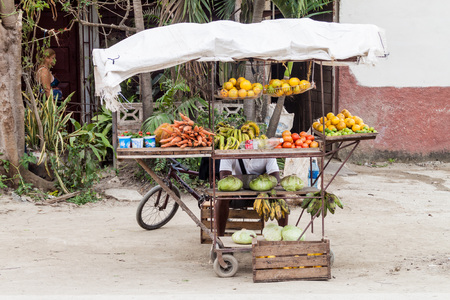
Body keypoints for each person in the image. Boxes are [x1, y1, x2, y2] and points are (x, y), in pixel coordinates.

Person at [215, 158, 288, 236]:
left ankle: (284, 233)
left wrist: (239, 178)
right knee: (222, 197)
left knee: (281, 196)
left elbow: (276, 178)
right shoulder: (231, 150)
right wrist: (258, 178)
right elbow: (224, 177)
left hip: (262, 196)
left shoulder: (266, 152)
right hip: (237, 194)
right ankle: (220, 236)